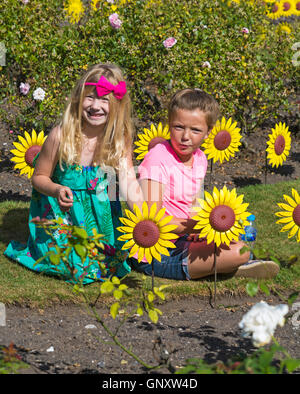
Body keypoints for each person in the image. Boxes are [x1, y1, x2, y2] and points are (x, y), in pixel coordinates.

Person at [5, 63, 144, 284]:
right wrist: (57, 188)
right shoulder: (61, 136)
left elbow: (128, 181)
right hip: (63, 216)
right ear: (79, 99)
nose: (96, 106)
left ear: (117, 105)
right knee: (70, 267)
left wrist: (145, 221)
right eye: (90, 98)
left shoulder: (119, 138)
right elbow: (39, 177)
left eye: (104, 100)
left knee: (110, 264)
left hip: (101, 218)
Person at [130, 88, 279, 280]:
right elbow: (152, 224)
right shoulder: (158, 157)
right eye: (179, 127)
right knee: (238, 251)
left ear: (208, 133)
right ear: (168, 125)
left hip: (184, 238)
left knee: (235, 235)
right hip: (157, 250)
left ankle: (227, 264)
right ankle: (231, 264)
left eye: (195, 130)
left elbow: (194, 204)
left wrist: (202, 229)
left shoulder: (199, 158)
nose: (185, 136)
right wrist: (199, 227)